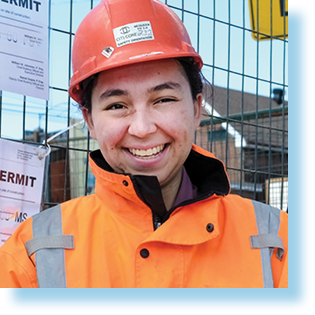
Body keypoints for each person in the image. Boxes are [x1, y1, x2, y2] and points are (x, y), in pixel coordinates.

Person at [0, 0, 288, 288]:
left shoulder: (279, 242)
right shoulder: (30, 256)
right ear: (90, 121)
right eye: (116, 105)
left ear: (197, 108)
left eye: (163, 100)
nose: (142, 128)